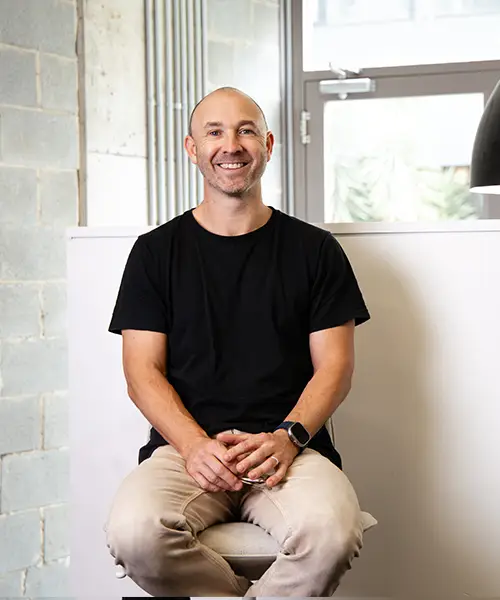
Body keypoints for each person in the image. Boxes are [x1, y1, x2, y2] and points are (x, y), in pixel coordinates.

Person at [105, 86, 371, 597]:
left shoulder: (316, 250)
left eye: (246, 130)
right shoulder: (154, 253)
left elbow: (334, 368)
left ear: (268, 144)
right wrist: (194, 446)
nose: (232, 144)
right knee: (135, 534)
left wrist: (288, 438)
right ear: (192, 148)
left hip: (287, 449)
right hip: (185, 450)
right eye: (215, 131)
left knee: (333, 534)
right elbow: (141, 372)